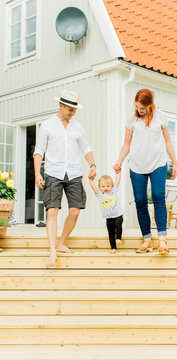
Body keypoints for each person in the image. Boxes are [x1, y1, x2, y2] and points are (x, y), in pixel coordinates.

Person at [34, 90, 96, 266]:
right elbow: (39, 151)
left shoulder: (78, 127)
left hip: (74, 172)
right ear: (60, 106)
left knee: (75, 210)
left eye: (74, 110)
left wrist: (92, 164)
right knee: (52, 211)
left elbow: (86, 148)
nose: (72, 113)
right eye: (70, 109)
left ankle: (62, 243)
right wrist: (38, 173)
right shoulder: (47, 125)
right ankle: (53, 251)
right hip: (53, 172)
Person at [113, 88, 177, 254]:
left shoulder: (160, 117)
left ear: (150, 106)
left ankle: (162, 239)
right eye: (137, 107)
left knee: (158, 196)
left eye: (142, 108)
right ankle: (147, 239)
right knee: (140, 201)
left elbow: (168, 142)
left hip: (158, 163)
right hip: (137, 166)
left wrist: (175, 163)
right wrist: (118, 162)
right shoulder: (132, 119)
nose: (139, 110)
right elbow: (126, 144)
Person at [89, 173, 123, 253]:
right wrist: (91, 180)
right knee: (110, 232)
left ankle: (118, 238)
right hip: (108, 217)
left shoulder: (113, 192)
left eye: (108, 186)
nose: (105, 188)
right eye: (103, 186)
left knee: (118, 226)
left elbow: (117, 181)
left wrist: (118, 173)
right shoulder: (100, 194)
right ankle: (113, 248)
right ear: (100, 187)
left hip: (118, 214)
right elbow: (94, 188)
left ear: (112, 186)